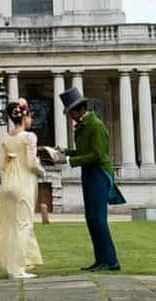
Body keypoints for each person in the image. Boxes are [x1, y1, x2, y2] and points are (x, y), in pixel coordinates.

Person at [56, 88, 122, 272]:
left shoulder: (96, 125)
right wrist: (64, 152)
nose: (70, 117)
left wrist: (68, 160)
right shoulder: (84, 125)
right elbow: (84, 152)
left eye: (71, 112)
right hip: (89, 172)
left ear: (79, 109)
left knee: (98, 219)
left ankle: (111, 261)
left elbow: (97, 155)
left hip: (99, 173)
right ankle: (100, 260)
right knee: (91, 218)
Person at [0, 98, 45, 280]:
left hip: (7, 184)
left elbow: (1, 164)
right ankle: (18, 269)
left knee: (9, 225)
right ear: (25, 117)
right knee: (23, 224)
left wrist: (13, 158)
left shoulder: (6, 137)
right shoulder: (29, 137)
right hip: (23, 184)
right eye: (30, 116)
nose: (31, 120)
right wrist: (42, 170)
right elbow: (31, 164)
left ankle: (11, 266)